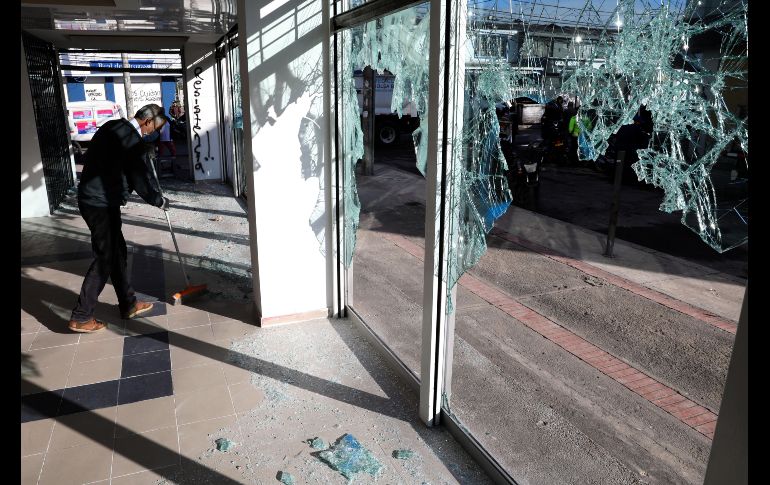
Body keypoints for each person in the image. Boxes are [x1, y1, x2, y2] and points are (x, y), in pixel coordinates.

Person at [68, 104, 171, 333]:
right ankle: (81, 316)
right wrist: (158, 200)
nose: (154, 133)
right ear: (147, 121)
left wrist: (141, 154)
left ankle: (128, 303)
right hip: (100, 203)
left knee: (118, 252)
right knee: (106, 257)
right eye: (155, 128)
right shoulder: (131, 140)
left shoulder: (113, 126)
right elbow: (139, 177)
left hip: (96, 199)